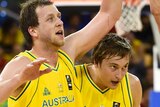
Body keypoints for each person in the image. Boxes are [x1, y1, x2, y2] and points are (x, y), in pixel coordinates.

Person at [0, 0, 122, 106]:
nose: (60, 22)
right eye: (50, 19)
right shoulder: (22, 64)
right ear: (33, 31)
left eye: (59, 17)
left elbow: (109, 14)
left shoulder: (67, 52)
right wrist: (19, 79)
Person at [75, 33, 142, 107]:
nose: (119, 76)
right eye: (114, 67)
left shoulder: (132, 84)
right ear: (96, 62)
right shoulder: (73, 77)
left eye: (124, 67)